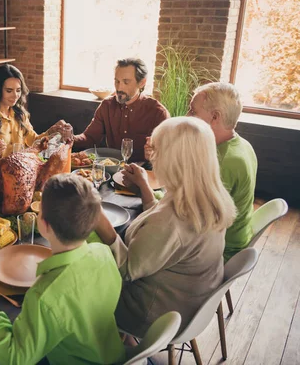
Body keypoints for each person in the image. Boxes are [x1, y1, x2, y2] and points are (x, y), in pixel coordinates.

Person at [92, 117, 237, 336]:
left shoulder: (171, 221)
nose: (151, 156)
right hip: (187, 302)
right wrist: (145, 188)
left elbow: (125, 271)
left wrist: (97, 217)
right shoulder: (206, 195)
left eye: (156, 150)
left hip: (149, 315)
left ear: (174, 159)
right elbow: (166, 233)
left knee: (75, 279)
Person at [0, 173, 125, 364]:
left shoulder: (44, 297)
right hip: (111, 354)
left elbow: (14, 358)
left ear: (43, 224)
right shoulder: (104, 254)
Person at [187, 82, 258, 261]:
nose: (187, 116)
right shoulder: (241, 144)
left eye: (193, 111)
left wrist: (149, 194)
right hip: (234, 236)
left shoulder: (224, 162)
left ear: (215, 117)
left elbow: (193, 221)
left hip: (219, 251)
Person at [73, 58, 169, 162]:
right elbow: (89, 138)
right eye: (117, 81)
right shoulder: (107, 106)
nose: (119, 88)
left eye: (126, 82)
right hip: (110, 169)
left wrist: (155, 154)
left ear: (141, 83)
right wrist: (70, 137)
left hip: (144, 172)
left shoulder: (158, 113)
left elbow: (167, 155)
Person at [0, 64, 68, 168]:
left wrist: (51, 131)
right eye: (9, 91)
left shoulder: (20, 113)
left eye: (18, 90)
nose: (15, 96)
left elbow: (34, 141)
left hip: (21, 168)